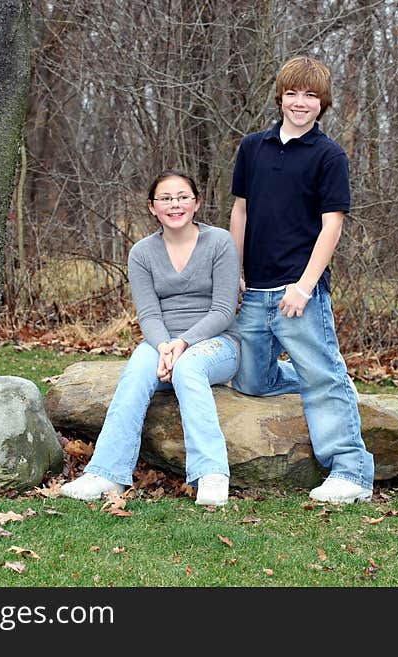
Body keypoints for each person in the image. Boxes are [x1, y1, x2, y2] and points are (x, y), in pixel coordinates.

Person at [229, 55, 375, 504]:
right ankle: (327, 374)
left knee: (322, 379)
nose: (300, 102)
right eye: (292, 93)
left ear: (322, 103)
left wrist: (305, 286)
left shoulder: (329, 155)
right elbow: (241, 211)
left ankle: (351, 471)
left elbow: (332, 226)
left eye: (311, 95)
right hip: (253, 290)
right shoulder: (253, 147)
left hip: (298, 290)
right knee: (251, 381)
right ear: (280, 97)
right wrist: (234, 271)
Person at [61, 170, 240, 506]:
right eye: (166, 199)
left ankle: (212, 474)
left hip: (218, 342)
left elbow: (223, 311)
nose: (175, 205)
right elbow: (149, 315)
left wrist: (181, 344)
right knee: (135, 372)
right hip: (162, 342)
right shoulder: (142, 253)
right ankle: (107, 474)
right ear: (152, 207)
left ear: (197, 203)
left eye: (183, 197)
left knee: (188, 368)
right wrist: (163, 347)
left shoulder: (219, 243)